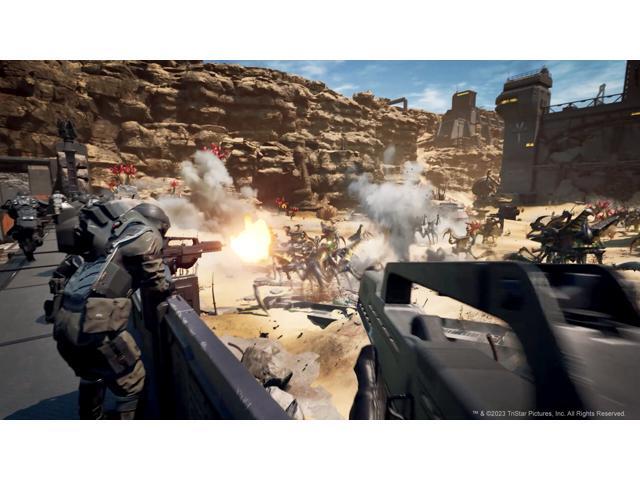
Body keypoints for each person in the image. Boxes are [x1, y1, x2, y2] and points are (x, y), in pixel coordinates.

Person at [49, 200, 173, 419]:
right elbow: (156, 283)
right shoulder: (145, 234)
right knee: (133, 382)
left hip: (64, 321)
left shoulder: (108, 239)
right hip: (96, 326)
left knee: (92, 374)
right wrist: (168, 281)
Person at [2, 191, 46, 261]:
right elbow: (43, 208)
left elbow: (42, 207)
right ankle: (34, 239)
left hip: (25, 224)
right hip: (27, 224)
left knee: (12, 233)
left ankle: (35, 239)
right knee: (12, 233)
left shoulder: (17, 202)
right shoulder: (32, 201)